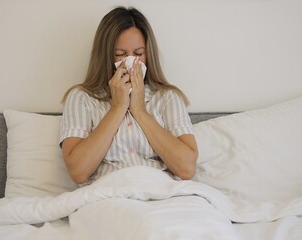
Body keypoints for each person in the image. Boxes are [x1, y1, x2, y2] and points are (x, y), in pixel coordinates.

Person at [59, 6, 198, 185]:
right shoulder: (81, 98)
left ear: (148, 55)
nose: (131, 61)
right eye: (120, 54)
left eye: (139, 54)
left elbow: (187, 168)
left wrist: (139, 110)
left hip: (162, 195)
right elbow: (78, 171)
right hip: (108, 196)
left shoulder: (167, 97)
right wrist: (118, 107)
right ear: (106, 56)